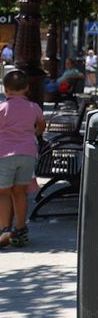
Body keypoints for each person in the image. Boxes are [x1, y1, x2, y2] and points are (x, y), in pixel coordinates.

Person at [0, 69, 46, 248]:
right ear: (27, 88)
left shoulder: (2, 108)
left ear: (6, 89)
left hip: (4, 155)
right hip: (28, 154)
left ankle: (5, 229)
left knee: (3, 192)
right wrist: (33, 135)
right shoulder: (33, 107)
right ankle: (20, 229)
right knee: (20, 192)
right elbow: (41, 125)